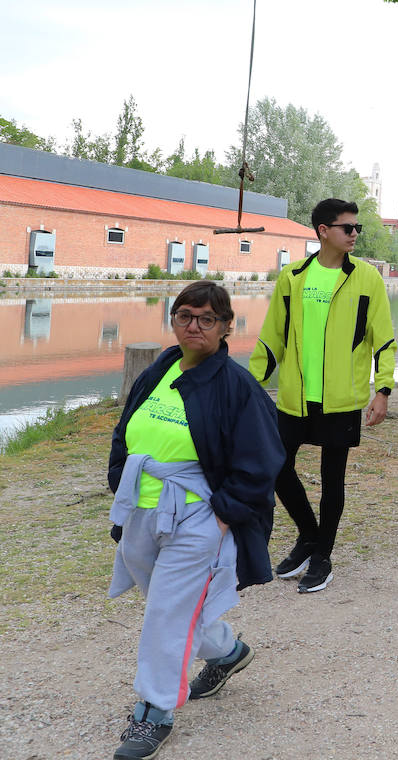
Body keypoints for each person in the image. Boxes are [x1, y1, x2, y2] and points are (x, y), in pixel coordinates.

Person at [107, 282, 285, 760]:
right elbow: (127, 427)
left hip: (198, 515)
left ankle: (155, 711)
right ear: (173, 320)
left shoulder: (236, 385)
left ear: (227, 326)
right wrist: (118, 476)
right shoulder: (162, 367)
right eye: (185, 315)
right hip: (143, 509)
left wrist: (222, 518)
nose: (194, 326)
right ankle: (226, 651)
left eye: (207, 318)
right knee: (170, 606)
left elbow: (264, 458)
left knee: (167, 611)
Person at [251, 198, 396, 594]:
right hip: (294, 398)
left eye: (356, 228)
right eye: (347, 227)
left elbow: (383, 339)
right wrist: (248, 386)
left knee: (334, 480)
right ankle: (309, 534)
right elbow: (272, 337)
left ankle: (322, 555)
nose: (353, 234)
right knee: (276, 467)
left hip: (341, 400)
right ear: (322, 231)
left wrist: (382, 390)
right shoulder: (293, 276)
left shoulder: (367, 278)